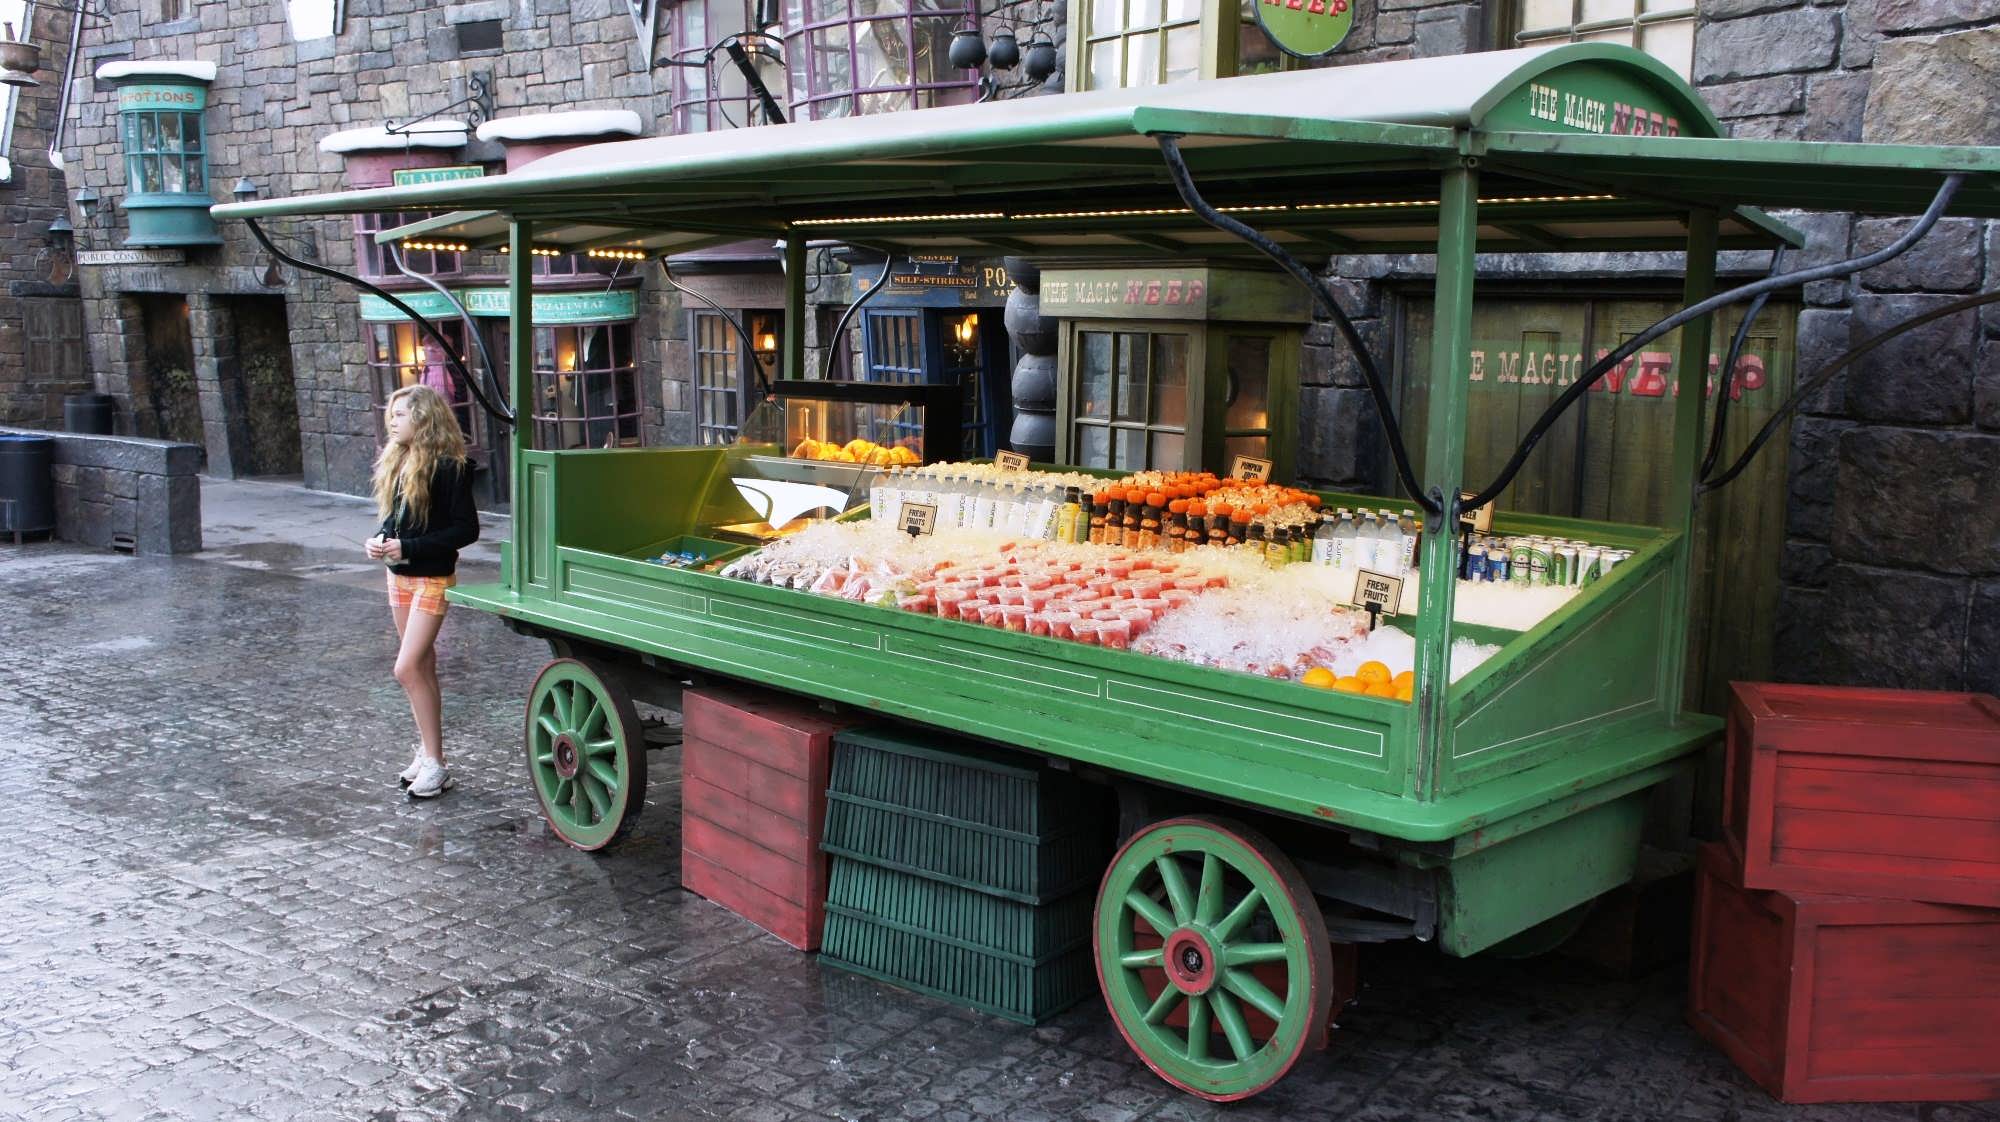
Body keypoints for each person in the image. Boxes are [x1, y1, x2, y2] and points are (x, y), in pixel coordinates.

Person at [366, 385, 480, 799]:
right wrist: (379, 540)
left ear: (424, 418)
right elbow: (395, 521)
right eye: (391, 414)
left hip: (432, 578)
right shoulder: (397, 460)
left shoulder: (452, 466)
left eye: (400, 414)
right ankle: (430, 755)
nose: (392, 421)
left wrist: (410, 547)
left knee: (406, 668)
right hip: (398, 577)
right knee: (423, 668)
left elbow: (467, 530)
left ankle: (435, 762)